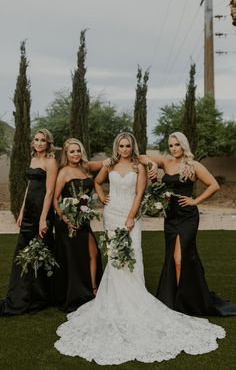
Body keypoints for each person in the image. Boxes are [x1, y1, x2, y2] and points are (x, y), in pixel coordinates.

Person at [54, 132, 225, 365]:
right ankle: (112, 297)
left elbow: (139, 193)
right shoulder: (111, 163)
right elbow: (96, 181)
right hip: (112, 214)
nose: (125, 149)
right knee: (115, 257)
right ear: (117, 147)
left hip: (130, 216)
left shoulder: (138, 165)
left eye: (128, 145)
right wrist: (103, 197)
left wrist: (132, 217)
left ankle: (138, 297)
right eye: (121, 145)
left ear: (132, 146)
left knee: (132, 255)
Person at [141, 131, 236, 316]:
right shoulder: (166, 161)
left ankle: (180, 303)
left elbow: (214, 185)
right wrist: (152, 164)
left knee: (180, 259)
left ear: (183, 145)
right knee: (173, 257)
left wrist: (195, 200)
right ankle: (185, 296)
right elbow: (142, 157)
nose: (174, 148)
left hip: (187, 217)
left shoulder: (193, 165)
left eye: (177, 145)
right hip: (170, 217)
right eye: (171, 145)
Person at [0, 129, 58, 316]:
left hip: (42, 211)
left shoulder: (51, 162)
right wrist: (21, 211)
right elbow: (29, 188)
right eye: (36, 139)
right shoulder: (33, 160)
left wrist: (43, 218)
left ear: (48, 143)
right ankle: (21, 294)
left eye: (43, 140)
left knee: (41, 252)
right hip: (29, 211)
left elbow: (49, 192)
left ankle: (40, 296)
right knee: (23, 252)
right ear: (33, 142)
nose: (39, 143)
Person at [53, 138, 104, 312]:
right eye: (71, 151)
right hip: (68, 222)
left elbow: (108, 162)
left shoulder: (87, 167)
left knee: (93, 253)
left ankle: (94, 289)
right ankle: (76, 293)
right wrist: (64, 217)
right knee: (74, 259)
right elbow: (55, 198)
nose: (75, 154)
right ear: (66, 154)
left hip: (84, 220)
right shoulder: (63, 172)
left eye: (77, 150)